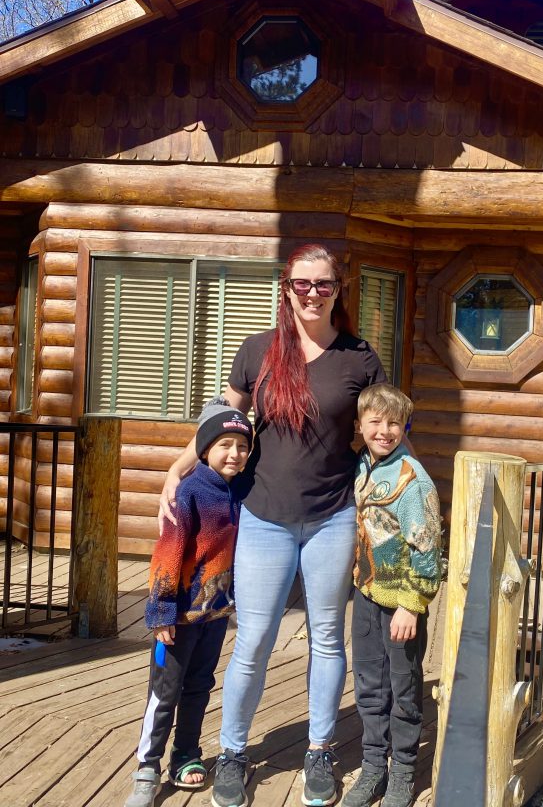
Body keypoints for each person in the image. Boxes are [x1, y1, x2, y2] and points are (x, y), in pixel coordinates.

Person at [158, 244, 386, 807]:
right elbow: (221, 420)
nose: (313, 294)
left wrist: (410, 495)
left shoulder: (360, 357)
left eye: (324, 285)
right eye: (303, 284)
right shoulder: (258, 351)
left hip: (333, 515)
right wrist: (178, 466)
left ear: (339, 289)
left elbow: (385, 430)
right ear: (286, 288)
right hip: (263, 517)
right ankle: (234, 752)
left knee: (327, 640)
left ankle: (319, 750)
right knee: (254, 639)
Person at [126, 398, 254, 807]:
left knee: (199, 685)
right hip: (178, 616)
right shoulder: (190, 491)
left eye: (242, 446)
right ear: (203, 449)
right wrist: (161, 610)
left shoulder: (239, 489)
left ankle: (186, 755)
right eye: (225, 445)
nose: (235, 454)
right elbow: (167, 553)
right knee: (165, 690)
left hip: (214, 614)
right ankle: (148, 765)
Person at [343, 384, 442, 807]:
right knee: (368, 684)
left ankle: (402, 770)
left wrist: (411, 603)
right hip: (365, 595)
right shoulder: (364, 467)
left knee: (402, 687)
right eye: (376, 422)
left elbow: (428, 547)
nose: (385, 431)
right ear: (361, 425)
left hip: (400, 604)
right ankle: (372, 769)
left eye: (394, 423)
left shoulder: (412, 480)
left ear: (405, 427)